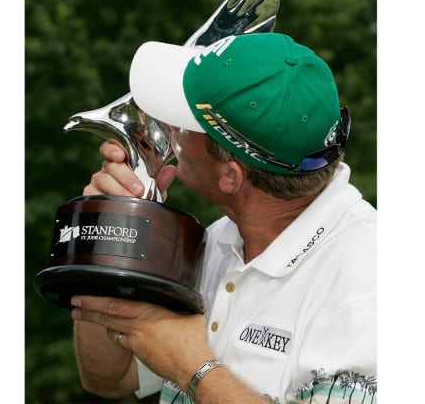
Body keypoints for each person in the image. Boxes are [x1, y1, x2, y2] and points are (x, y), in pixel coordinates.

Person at [70, 33, 376, 403]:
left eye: (179, 122)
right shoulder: (217, 240)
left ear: (231, 176)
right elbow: (108, 378)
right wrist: (109, 232)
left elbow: (160, 368)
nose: (164, 126)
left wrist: (192, 366)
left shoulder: (372, 285)